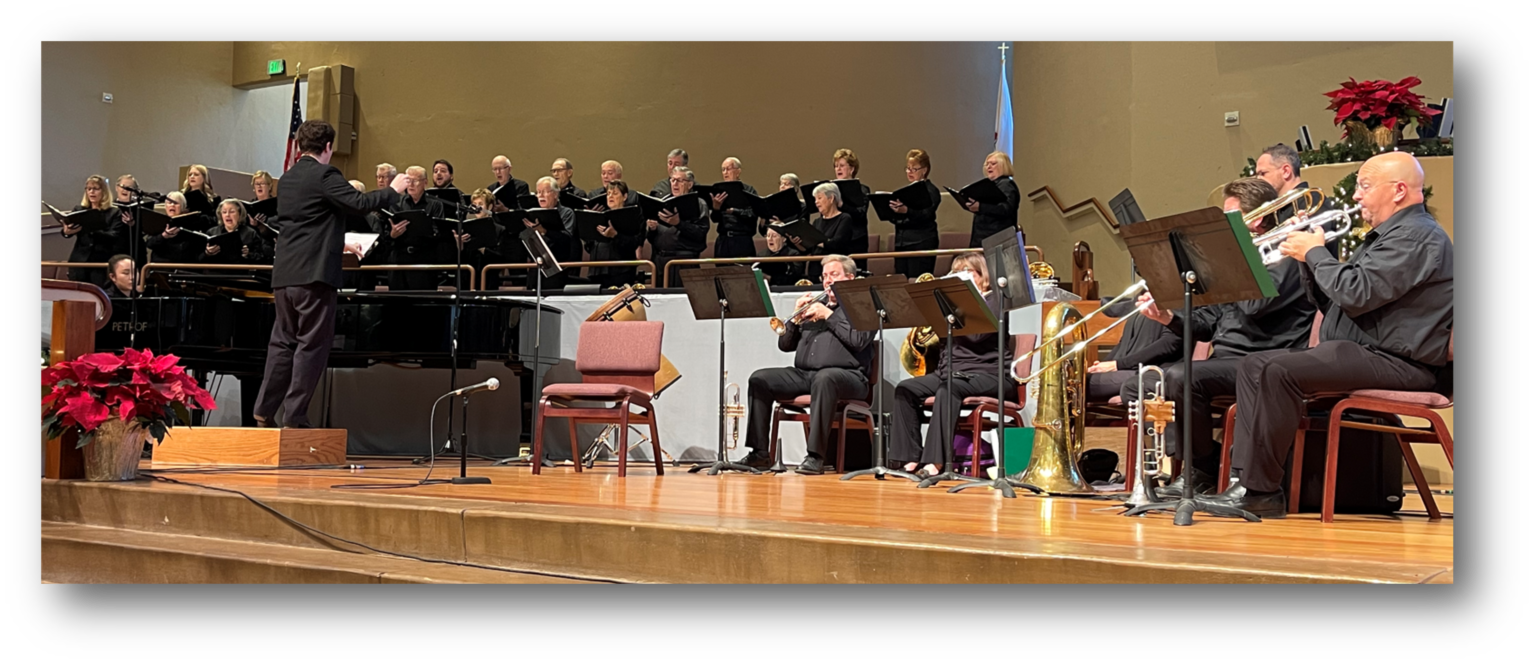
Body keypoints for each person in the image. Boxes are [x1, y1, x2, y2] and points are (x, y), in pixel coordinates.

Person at [1209, 152, 1453, 518]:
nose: (1356, 195)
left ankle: (1261, 490)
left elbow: (1355, 292)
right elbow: (1336, 301)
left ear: (1399, 191)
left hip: (1401, 362)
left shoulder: (1416, 237)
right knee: (1254, 365)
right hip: (1367, 352)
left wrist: (1315, 253)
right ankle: (1244, 483)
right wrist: (1306, 260)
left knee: (1278, 370)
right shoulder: (1389, 236)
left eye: (1364, 186)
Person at [1120, 176, 1318, 498]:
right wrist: (1167, 317)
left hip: (1266, 361)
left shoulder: (1285, 252)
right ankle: (1203, 463)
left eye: (1230, 218)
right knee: (1142, 384)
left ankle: (1201, 469)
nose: (1223, 227)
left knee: (1182, 377)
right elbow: (1207, 325)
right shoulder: (1237, 260)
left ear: (1256, 220)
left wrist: (1231, 260)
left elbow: (1255, 306)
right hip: (1225, 361)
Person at [254, 119, 407, 429]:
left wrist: (339, 239)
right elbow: (360, 203)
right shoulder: (325, 174)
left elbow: (307, 221)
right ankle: (295, 417)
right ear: (328, 147)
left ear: (300, 145)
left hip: (285, 274)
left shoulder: (288, 178)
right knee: (311, 345)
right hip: (314, 275)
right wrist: (392, 190)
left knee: (282, 343)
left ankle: (264, 409)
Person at [741, 255, 872, 475]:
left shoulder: (863, 306)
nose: (828, 280)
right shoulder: (815, 306)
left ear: (850, 278)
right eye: (825, 276)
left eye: (834, 274)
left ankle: (815, 457)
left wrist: (828, 315)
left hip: (850, 377)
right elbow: (785, 345)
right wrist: (794, 319)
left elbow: (858, 341)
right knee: (759, 379)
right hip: (805, 375)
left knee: (825, 378)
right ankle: (759, 453)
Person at [888, 253, 1009, 478]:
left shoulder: (995, 300)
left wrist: (958, 307)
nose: (961, 276)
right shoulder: (951, 306)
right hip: (951, 372)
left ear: (983, 276)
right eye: (957, 272)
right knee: (905, 389)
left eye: (967, 272)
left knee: (948, 388)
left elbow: (976, 336)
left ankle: (935, 461)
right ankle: (910, 457)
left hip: (987, 372)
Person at [380, 165, 447, 291]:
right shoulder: (396, 203)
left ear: (425, 182)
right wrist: (393, 234)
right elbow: (386, 235)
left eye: (415, 181)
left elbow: (439, 233)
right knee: (398, 299)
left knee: (422, 300)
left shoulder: (435, 204)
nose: (410, 184)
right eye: (408, 180)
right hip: (399, 259)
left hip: (424, 259)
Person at [508, 177, 577, 291]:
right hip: (536, 267)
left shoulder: (566, 213)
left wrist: (544, 231)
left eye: (545, 192)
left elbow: (567, 239)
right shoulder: (532, 214)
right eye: (538, 192)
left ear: (555, 194)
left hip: (558, 267)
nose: (541, 196)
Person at [647, 166, 710, 287]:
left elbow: (700, 233)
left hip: (684, 262)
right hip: (661, 261)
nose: (675, 184)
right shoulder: (662, 202)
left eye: (679, 180)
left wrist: (679, 224)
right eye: (672, 180)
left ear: (690, 184)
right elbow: (651, 239)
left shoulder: (699, 204)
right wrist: (652, 229)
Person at [887, 149, 942, 278]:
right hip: (902, 242)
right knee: (901, 281)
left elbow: (926, 215)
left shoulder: (931, 191)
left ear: (924, 170)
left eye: (914, 169)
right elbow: (900, 218)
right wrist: (891, 212)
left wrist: (907, 211)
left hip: (921, 242)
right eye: (908, 168)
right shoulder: (906, 191)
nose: (910, 172)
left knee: (917, 281)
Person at [61, 174, 124, 284]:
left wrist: (92, 230)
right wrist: (66, 232)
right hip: (79, 261)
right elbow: (67, 232)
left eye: (95, 189)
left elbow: (113, 237)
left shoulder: (114, 212)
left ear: (104, 191)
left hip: (100, 262)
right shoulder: (79, 209)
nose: (91, 192)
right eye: (89, 189)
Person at [585, 180, 645, 289]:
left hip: (620, 271)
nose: (610, 196)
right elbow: (589, 246)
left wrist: (615, 235)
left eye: (615, 193)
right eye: (608, 193)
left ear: (624, 196)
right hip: (597, 270)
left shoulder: (631, 216)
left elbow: (634, 243)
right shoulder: (600, 216)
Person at [959, 151, 1020, 249]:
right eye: (987, 164)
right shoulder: (990, 185)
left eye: (993, 164)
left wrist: (980, 207)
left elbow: (1005, 209)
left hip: (999, 241)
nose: (989, 167)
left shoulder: (1006, 185)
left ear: (1003, 166)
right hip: (984, 239)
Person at [801, 181, 856, 281]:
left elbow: (838, 243)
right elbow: (809, 248)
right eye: (815, 199)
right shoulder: (817, 221)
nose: (816, 202)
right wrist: (798, 242)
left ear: (831, 198)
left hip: (835, 270)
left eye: (819, 198)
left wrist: (818, 241)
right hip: (815, 269)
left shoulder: (844, 218)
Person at [709, 157, 759, 259]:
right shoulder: (719, 191)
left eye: (728, 169)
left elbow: (753, 214)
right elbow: (714, 219)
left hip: (742, 240)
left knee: (744, 269)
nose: (725, 172)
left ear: (738, 171)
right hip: (723, 240)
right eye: (723, 169)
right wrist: (716, 208)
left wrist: (733, 211)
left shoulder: (748, 190)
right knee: (722, 269)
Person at [831, 148, 872, 265]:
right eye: (836, 166)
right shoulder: (831, 189)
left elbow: (861, 213)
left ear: (852, 169)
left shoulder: (862, 189)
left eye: (842, 165)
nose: (838, 169)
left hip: (856, 240)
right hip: (837, 240)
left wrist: (842, 205)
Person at [145, 192, 209, 264]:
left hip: (184, 266)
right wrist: (164, 236)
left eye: (176, 203)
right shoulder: (158, 221)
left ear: (183, 207)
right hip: (161, 266)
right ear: (165, 206)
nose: (172, 205)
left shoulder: (192, 223)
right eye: (169, 203)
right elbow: (149, 244)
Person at [202, 199, 271, 265]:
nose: (227, 215)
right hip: (216, 271)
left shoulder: (250, 233)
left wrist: (248, 254)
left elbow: (262, 257)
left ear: (240, 214)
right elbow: (200, 258)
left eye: (232, 212)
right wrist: (207, 253)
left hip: (242, 271)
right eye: (224, 212)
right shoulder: (211, 232)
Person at [249, 170, 279, 243]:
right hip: (255, 241)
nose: (259, 186)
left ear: (269, 186)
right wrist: (253, 225)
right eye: (257, 184)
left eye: (262, 183)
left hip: (272, 241)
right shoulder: (250, 205)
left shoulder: (277, 204)